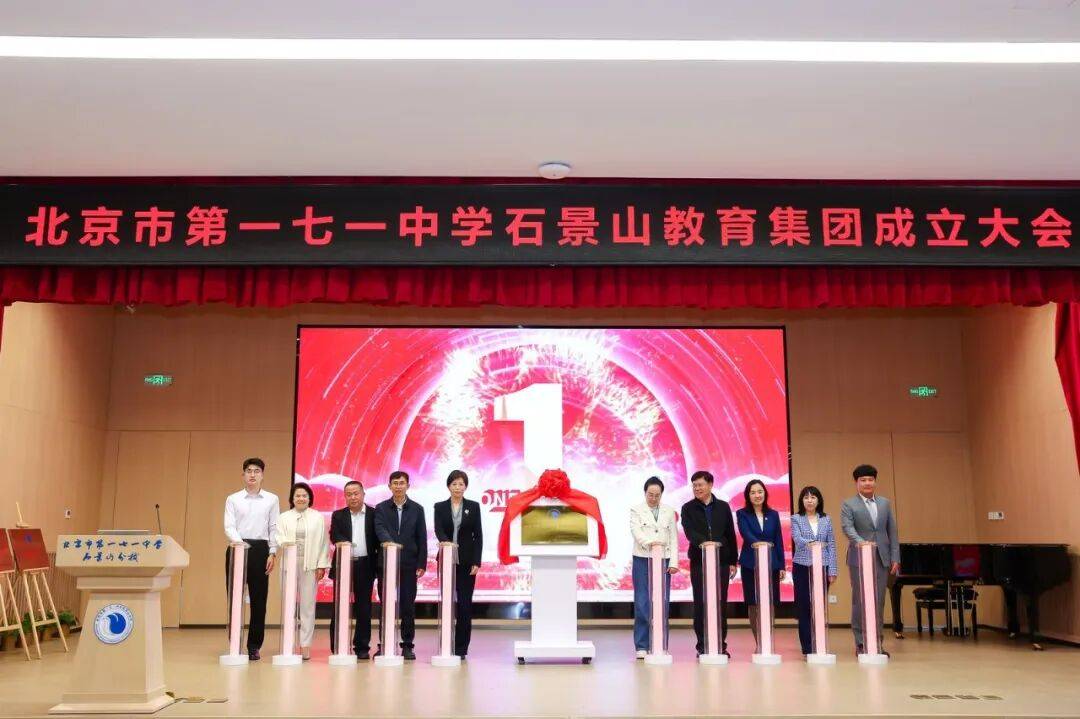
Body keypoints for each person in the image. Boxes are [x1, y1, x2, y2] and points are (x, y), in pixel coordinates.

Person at [223, 457, 280, 661]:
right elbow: (229, 526)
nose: (252, 474)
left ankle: (254, 646)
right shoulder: (233, 499)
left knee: (259, 600)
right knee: (235, 599)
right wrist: (240, 544)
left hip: (261, 550)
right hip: (237, 548)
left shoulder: (272, 499)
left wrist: (272, 551)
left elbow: (274, 526)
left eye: (257, 471)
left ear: (262, 475)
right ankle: (235, 643)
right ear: (243, 475)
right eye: (249, 471)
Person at [840, 464, 900, 655]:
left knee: (879, 601)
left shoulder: (884, 503)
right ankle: (860, 643)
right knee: (860, 601)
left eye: (870, 480)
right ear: (856, 483)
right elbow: (847, 528)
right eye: (863, 480)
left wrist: (895, 557)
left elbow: (892, 532)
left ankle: (876, 643)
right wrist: (862, 543)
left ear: (875, 481)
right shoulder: (849, 504)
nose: (867, 483)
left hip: (882, 559)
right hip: (858, 559)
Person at [680, 470, 738, 657]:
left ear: (710, 485)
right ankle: (702, 645)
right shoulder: (687, 508)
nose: (697, 488)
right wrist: (706, 544)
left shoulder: (723, 507)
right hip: (699, 561)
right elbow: (689, 532)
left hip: (721, 561)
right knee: (701, 603)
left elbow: (730, 534)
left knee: (720, 603)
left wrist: (733, 560)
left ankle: (720, 644)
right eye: (694, 485)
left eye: (700, 485)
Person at [374, 470, 428, 660]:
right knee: (385, 605)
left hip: (409, 563)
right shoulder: (381, 508)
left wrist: (421, 562)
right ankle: (385, 644)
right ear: (389, 486)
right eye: (395, 483)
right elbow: (379, 528)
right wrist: (390, 543)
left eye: (401, 483)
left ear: (408, 486)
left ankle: (407, 645)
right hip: (386, 564)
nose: (398, 486)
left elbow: (422, 537)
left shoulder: (417, 509)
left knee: (407, 606)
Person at [275, 481, 330, 660]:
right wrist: (286, 543)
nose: (301, 498)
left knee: (307, 607)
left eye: (304, 495)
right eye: (297, 495)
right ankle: (288, 644)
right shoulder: (284, 517)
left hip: (310, 566)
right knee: (288, 605)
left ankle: (305, 645)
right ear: (292, 498)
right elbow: (278, 536)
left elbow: (323, 542)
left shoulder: (317, 517)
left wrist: (321, 564)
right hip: (288, 565)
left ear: (309, 498)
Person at [433, 469, 483, 659]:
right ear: (448, 486)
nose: (457, 487)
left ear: (465, 486)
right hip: (446, 560)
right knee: (447, 604)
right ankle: (446, 645)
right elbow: (438, 529)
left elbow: (478, 535)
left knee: (464, 605)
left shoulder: (473, 506)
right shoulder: (439, 506)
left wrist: (476, 561)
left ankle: (461, 648)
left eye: (461, 484)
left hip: (467, 562)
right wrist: (447, 544)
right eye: (454, 484)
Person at [328, 480, 381, 660]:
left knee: (364, 608)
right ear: (345, 497)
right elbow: (334, 535)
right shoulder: (338, 515)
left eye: (356, 493)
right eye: (349, 494)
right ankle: (338, 645)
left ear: (363, 494)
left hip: (366, 565)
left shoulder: (374, 514)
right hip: (343, 564)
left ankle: (362, 647)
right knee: (339, 607)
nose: (353, 497)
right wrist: (343, 542)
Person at [630, 476, 679, 658]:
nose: (653, 498)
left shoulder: (669, 511)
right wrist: (651, 543)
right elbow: (636, 532)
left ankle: (660, 643)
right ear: (645, 493)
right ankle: (642, 645)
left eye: (657, 495)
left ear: (661, 495)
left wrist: (673, 562)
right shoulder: (636, 510)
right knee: (642, 602)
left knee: (662, 602)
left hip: (663, 560)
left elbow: (673, 537)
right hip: (643, 558)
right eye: (650, 494)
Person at [736, 479, 786, 645]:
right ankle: (760, 642)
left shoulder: (774, 514)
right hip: (750, 563)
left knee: (770, 601)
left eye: (760, 491)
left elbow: (778, 539)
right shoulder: (742, 514)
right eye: (753, 492)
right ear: (748, 496)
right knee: (753, 602)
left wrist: (781, 565)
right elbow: (746, 533)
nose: (757, 495)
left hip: (771, 564)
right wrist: (760, 544)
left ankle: (768, 640)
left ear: (765, 493)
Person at [789, 486, 838, 656]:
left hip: (822, 566)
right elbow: (797, 538)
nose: (809, 501)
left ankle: (819, 643)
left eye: (813, 497)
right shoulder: (796, 518)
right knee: (804, 607)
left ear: (818, 500)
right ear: (801, 501)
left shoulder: (826, 519)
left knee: (818, 606)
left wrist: (832, 570)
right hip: (802, 566)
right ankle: (807, 647)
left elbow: (831, 544)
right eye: (806, 497)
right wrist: (813, 544)